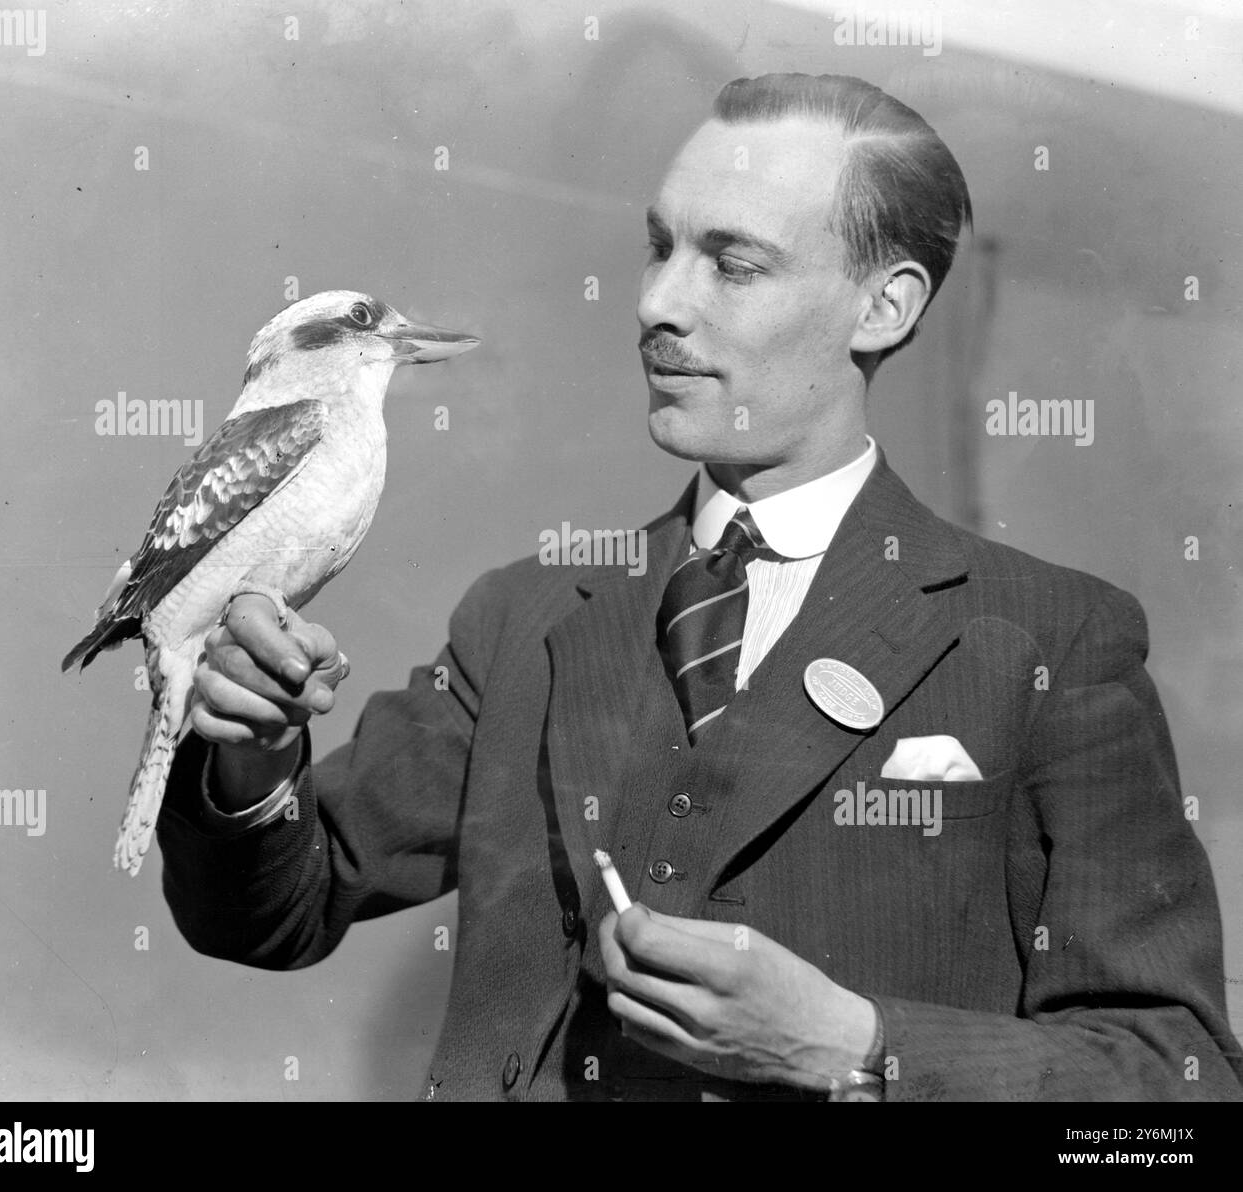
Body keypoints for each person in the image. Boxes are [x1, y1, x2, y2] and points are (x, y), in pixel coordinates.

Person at [157, 72, 1243, 1101]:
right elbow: (276, 911)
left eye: (732, 264)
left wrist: (860, 1052)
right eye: (657, 248)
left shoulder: (1053, 637)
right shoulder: (523, 619)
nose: (656, 304)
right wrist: (249, 754)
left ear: (884, 306)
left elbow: (1175, 1078)